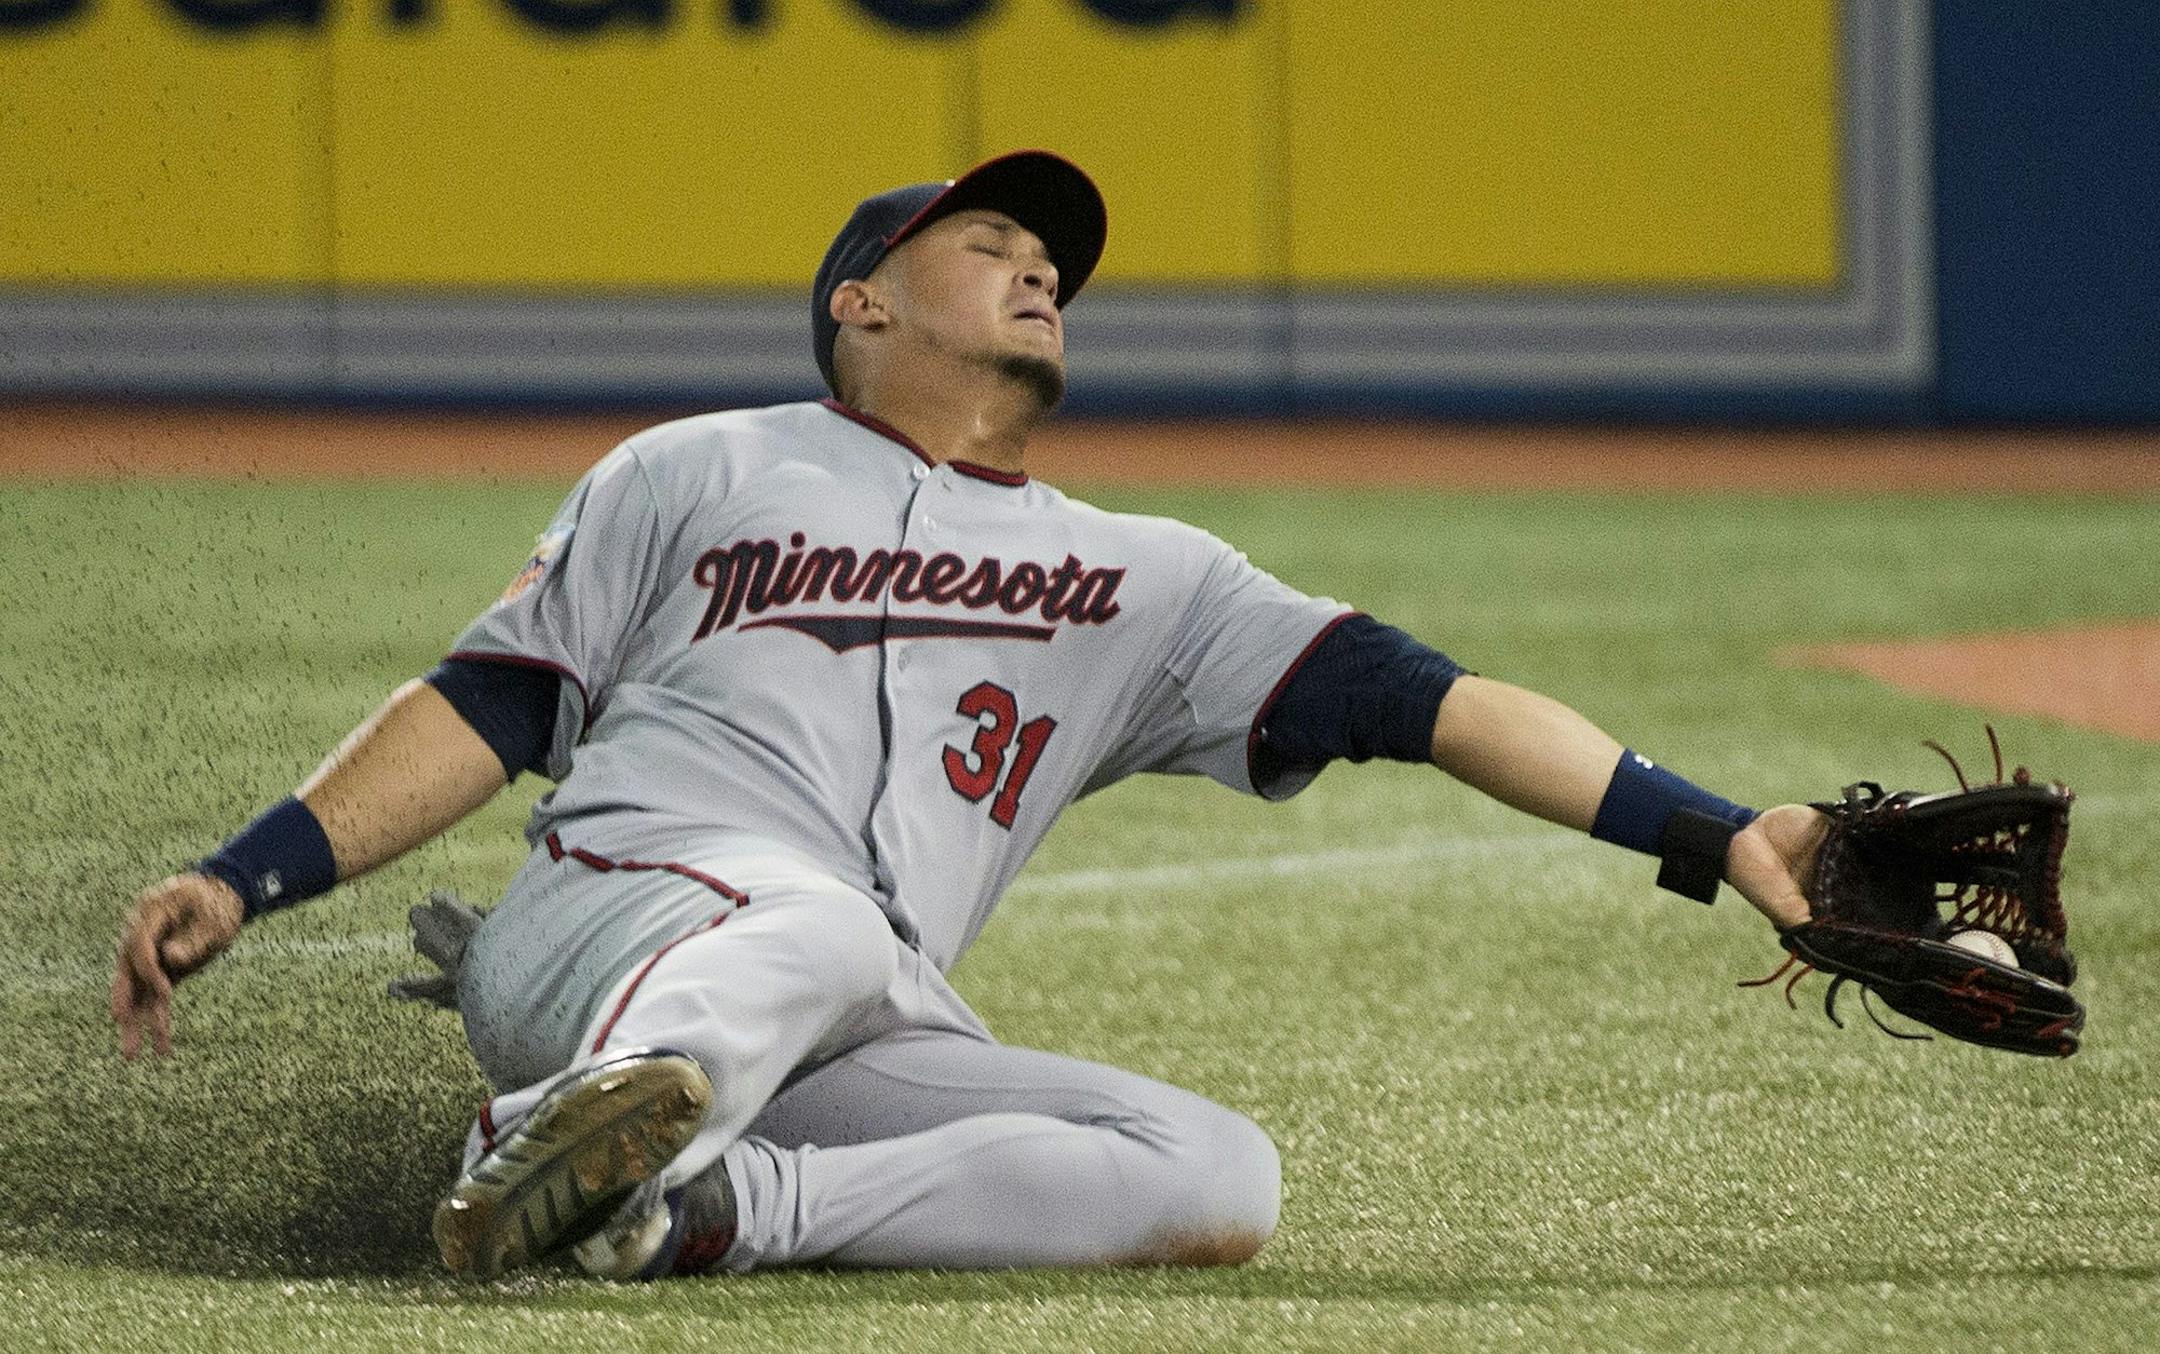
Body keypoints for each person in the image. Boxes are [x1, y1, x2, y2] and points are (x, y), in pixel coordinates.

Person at [111, 150, 1827, 1281]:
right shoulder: (703, 465)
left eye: (1050, 260)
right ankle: (544, 1122)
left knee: (1215, 1173)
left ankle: (697, 1203)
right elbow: (493, 699)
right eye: (988, 245)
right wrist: (245, 873)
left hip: (845, 1019)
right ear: (860, 302)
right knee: (832, 925)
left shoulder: (1146, 576)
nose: (1037, 271)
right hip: (609, 917)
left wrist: (1712, 826)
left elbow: (1429, 703)